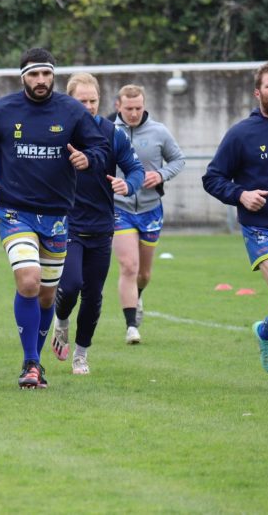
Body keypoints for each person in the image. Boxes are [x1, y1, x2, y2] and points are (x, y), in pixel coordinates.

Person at [0, 48, 107, 388]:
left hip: (57, 216)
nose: (40, 80)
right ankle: (30, 363)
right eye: (33, 74)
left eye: (46, 74)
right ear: (23, 77)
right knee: (28, 280)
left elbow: (100, 146)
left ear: (53, 75)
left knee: (46, 295)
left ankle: (36, 362)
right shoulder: (3, 109)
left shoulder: (71, 111)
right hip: (15, 212)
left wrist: (88, 158)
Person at [51, 73, 143, 375]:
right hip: (68, 225)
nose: (89, 106)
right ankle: (61, 319)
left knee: (93, 295)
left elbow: (135, 169)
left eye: (93, 101)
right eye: (82, 101)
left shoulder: (112, 133)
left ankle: (81, 353)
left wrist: (127, 185)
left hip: (102, 226)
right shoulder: (57, 134)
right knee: (72, 285)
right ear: (69, 101)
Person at [203, 62, 268, 392]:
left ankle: (266, 330)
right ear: (257, 92)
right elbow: (212, 178)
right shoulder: (242, 134)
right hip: (262, 227)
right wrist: (241, 195)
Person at [112, 84, 186, 344]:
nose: (133, 113)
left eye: (138, 108)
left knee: (143, 274)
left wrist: (160, 175)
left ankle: (138, 295)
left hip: (150, 208)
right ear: (117, 106)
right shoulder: (108, 131)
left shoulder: (159, 131)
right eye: (128, 108)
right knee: (128, 266)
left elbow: (178, 160)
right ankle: (131, 326)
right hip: (118, 208)